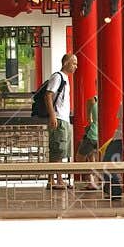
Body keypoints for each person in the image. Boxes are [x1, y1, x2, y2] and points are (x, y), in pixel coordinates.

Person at [33, 53, 76, 187]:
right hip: (58, 118)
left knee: (62, 151)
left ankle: (57, 179)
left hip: (63, 118)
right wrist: (52, 115)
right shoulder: (57, 77)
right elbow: (48, 95)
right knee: (57, 149)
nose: (76, 66)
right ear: (65, 63)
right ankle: (54, 180)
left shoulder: (65, 79)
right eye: (73, 63)